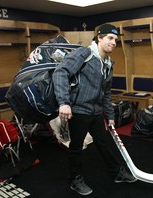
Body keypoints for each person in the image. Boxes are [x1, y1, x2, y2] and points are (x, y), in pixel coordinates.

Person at [52, 24, 137, 196]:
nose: (114, 43)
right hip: (79, 111)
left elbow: (106, 93)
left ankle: (117, 173)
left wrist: (110, 116)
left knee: (104, 143)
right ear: (99, 37)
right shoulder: (85, 54)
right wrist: (63, 102)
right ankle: (75, 180)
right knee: (76, 147)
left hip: (96, 112)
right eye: (110, 38)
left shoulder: (107, 64)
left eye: (116, 40)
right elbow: (60, 72)